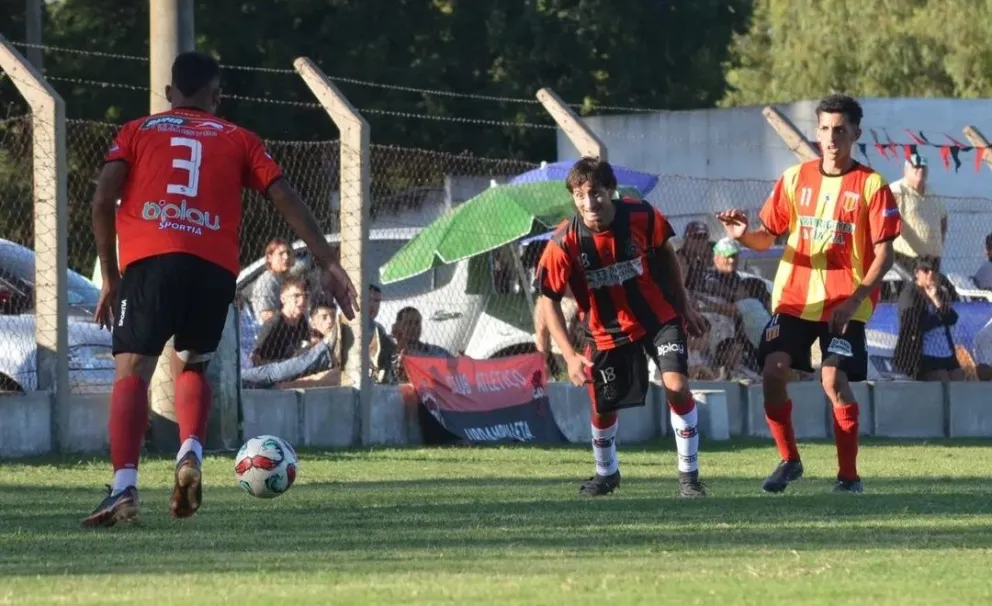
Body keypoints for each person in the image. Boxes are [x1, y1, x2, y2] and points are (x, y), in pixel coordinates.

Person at [86, 51, 357, 528]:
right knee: (194, 364)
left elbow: (104, 198)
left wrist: (110, 275)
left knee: (133, 369)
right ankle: (189, 452)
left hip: (150, 258)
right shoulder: (240, 138)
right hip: (212, 267)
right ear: (217, 97)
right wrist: (329, 261)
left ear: (170, 94)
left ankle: (124, 487)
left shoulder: (136, 131)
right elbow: (284, 195)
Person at [716, 94, 902, 495]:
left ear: (855, 133)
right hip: (795, 300)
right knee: (773, 372)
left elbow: (885, 256)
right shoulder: (794, 179)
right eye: (824, 129)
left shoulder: (872, 185)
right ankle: (789, 460)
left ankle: (848, 477)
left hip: (845, 305)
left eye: (839, 130)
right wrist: (742, 234)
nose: (831, 138)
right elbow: (766, 238)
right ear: (816, 132)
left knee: (832, 379)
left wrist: (855, 301)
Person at [535, 157, 710, 498]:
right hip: (605, 332)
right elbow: (548, 299)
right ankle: (606, 474)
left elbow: (666, 254)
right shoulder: (563, 243)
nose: (589, 203)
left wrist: (684, 304)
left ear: (610, 191)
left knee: (676, 386)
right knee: (604, 406)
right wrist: (569, 355)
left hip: (657, 317)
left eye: (596, 193)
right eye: (580, 195)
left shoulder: (641, 215)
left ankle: (689, 477)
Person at [893, 256, 964, 381]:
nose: (930, 274)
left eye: (934, 270)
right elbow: (914, 325)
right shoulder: (910, 294)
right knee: (942, 379)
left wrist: (936, 298)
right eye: (926, 270)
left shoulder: (939, 292)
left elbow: (952, 318)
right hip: (923, 354)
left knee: (959, 379)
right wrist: (940, 317)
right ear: (916, 273)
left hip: (946, 352)